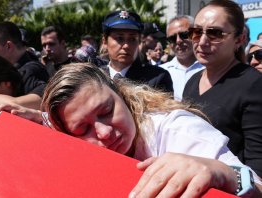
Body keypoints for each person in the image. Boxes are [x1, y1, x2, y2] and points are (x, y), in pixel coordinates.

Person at [0, 63, 262, 198]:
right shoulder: (66, 130)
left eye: (107, 111)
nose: (105, 133)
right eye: (83, 129)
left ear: (121, 94)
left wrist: (221, 173)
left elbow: (256, 184)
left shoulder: (178, 130)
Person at [183, 0, 262, 177]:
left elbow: (257, 168)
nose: (202, 41)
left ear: (239, 39)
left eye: (215, 34)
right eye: (196, 32)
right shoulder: (192, 81)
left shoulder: (254, 85)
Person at [100, 10, 173, 92]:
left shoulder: (156, 78)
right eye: (120, 38)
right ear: (105, 41)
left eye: (132, 39)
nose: (126, 45)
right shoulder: (95, 76)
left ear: (139, 42)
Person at [159, 15, 205, 101]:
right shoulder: (160, 73)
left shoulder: (211, 68)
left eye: (184, 35)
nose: (178, 41)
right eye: (172, 38)